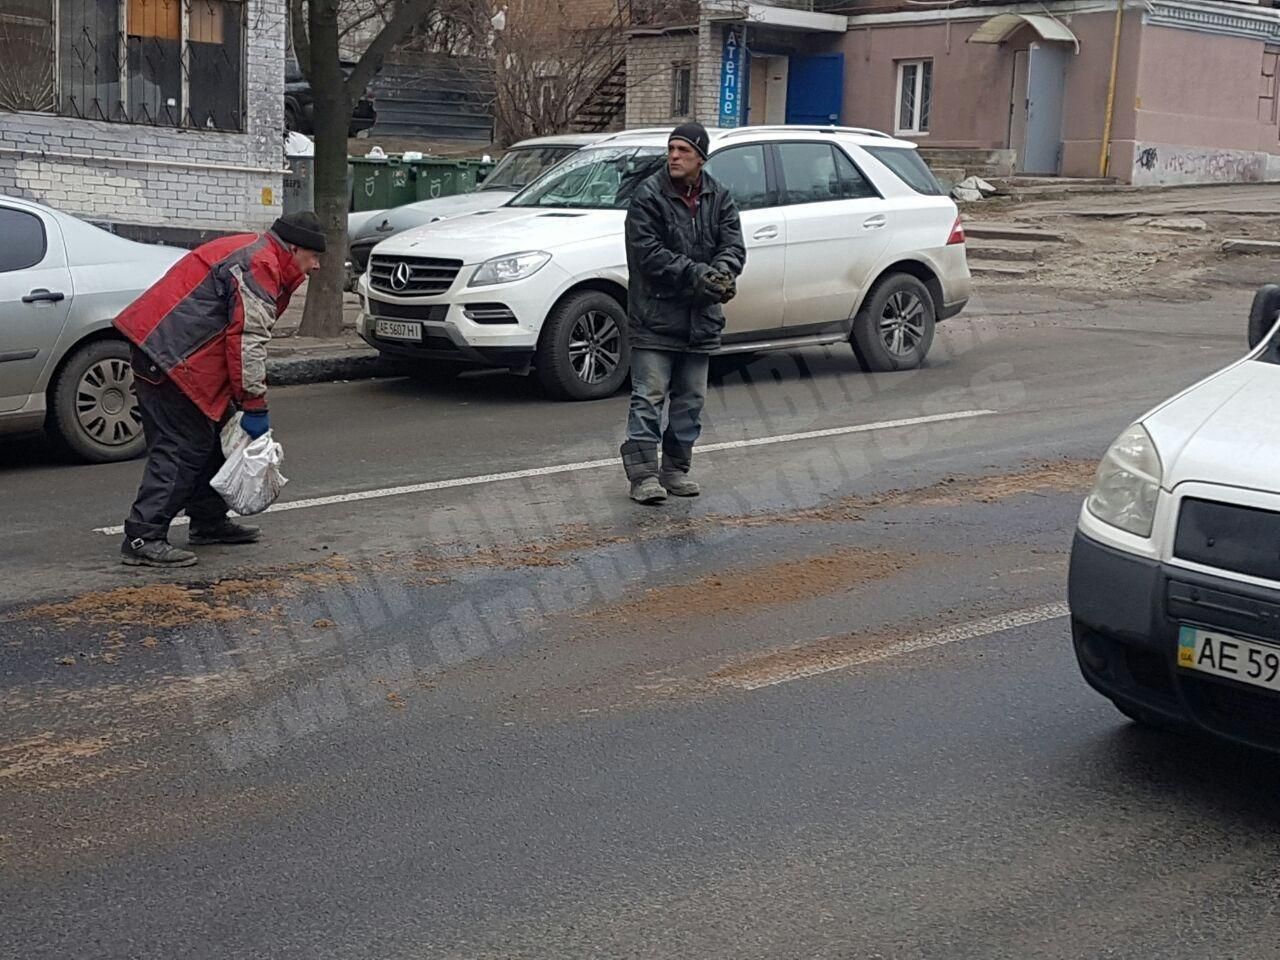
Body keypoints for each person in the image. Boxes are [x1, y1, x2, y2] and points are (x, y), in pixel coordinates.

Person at [115, 211, 325, 567]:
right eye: (314, 256)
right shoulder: (260, 264)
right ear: (293, 248)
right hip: (171, 358)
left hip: (168, 351)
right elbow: (247, 340)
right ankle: (143, 536)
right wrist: (254, 404)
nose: (316, 266)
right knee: (183, 447)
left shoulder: (252, 249)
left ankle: (208, 521)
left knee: (214, 437)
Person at [620, 122, 745, 505]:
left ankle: (675, 470)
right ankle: (643, 476)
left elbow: (733, 245)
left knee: (690, 399)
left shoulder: (720, 197)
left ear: (701, 158)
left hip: (701, 321)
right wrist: (699, 274)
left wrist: (723, 272)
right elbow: (649, 255)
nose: (674, 155)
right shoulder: (648, 197)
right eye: (671, 148)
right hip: (655, 317)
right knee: (649, 396)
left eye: (683, 150)